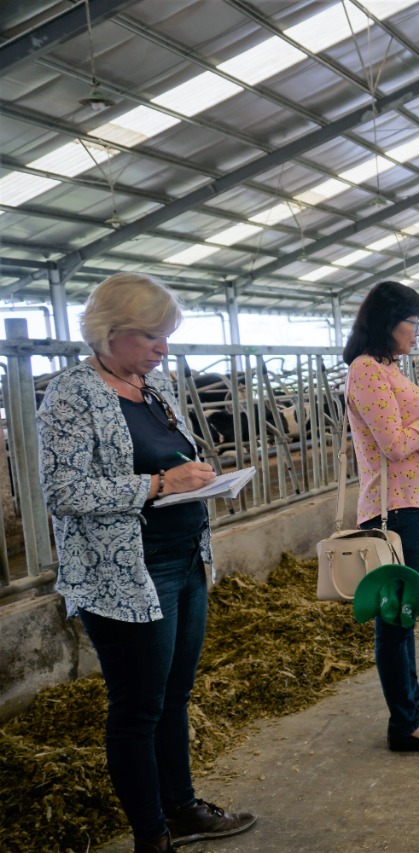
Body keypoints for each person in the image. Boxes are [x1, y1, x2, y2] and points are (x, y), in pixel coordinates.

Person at [37, 273, 257, 853]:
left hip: (183, 559)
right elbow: (64, 491)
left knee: (174, 696)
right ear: (109, 331)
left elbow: (167, 458)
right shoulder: (72, 394)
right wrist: (160, 484)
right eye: (152, 336)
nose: (163, 348)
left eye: (167, 336)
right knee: (138, 707)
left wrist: (197, 477)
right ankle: (151, 835)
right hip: (124, 574)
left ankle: (181, 808)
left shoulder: (153, 387)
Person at [345, 281, 419, 751]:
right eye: (412, 322)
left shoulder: (387, 367)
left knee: (404, 614)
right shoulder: (365, 370)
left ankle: (413, 710)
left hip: (414, 503)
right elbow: (394, 445)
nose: (418, 332)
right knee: (395, 619)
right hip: (394, 508)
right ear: (387, 322)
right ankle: (405, 724)